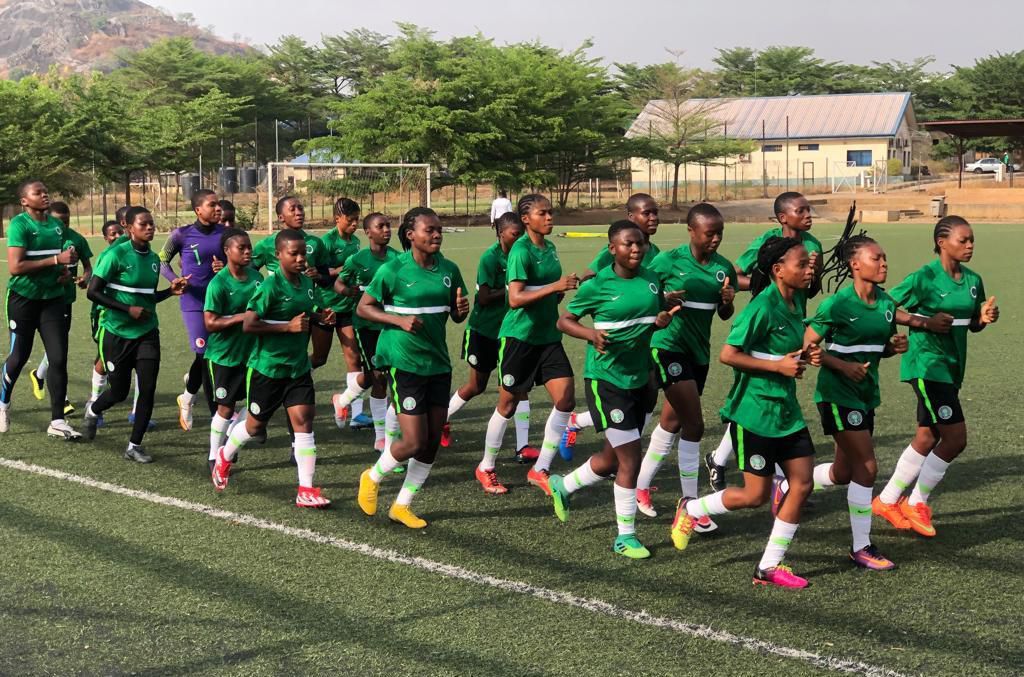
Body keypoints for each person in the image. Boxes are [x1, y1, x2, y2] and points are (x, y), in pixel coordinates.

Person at [670, 236, 822, 589]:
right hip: (753, 412)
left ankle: (769, 566)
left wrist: (805, 355)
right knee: (754, 496)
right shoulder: (761, 308)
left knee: (802, 482)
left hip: (786, 412)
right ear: (778, 270)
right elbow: (729, 354)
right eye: (802, 264)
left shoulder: (796, 298)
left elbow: (790, 346)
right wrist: (778, 368)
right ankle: (691, 510)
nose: (809, 270)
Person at [549, 221, 679, 559]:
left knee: (609, 459)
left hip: (640, 377)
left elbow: (649, 317)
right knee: (630, 459)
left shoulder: (651, 279)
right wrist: (590, 335)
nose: (636, 249)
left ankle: (563, 485)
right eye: (627, 244)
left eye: (639, 244)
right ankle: (625, 536)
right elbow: (564, 321)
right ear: (612, 249)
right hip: (606, 380)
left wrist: (660, 319)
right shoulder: (598, 285)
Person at [873, 216, 998, 537]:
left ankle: (886, 500)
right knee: (955, 439)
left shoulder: (973, 280)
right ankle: (917, 502)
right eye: (963, 240)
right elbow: (885, 305)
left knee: (928, 437)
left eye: (972, 240)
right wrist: (922, 323)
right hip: (927, 366)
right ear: (942, 242)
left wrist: (983, 318)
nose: (969, 246)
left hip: (953, 366)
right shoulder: (924, 277)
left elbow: (971, 323)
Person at [355, 207, 470, 528]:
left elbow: (456, 314)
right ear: (410, 235)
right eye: (429, 230)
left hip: (438, 361)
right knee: (414, 440)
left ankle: (402, 505)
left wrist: (461, 310)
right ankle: (372, 476)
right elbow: (364, 307)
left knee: (432, 441)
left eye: (439, 230)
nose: (436, 235)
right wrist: (398, 320)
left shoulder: (449, 269)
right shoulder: (393, 270)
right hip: (404, 360)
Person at [797, 235, 906, 570]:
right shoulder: (837, 304)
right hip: (836, 395)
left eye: (885, 257)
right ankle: (862, 546)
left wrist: (892, 348)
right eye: (877, 258)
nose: (884, 263)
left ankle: (788, 484)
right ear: (855, 264)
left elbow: (874, 348)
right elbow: (807, 347)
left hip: (865, 394)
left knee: (843, 471)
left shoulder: (886, 304)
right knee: (867, 467)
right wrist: (842, 367)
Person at [704, 191, 824, 488]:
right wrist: (758, 286)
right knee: (755, 397)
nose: (809, 214)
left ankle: (777, 483)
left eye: (809, 209)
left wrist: (815, 272)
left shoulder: (813, 245)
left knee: (770, 400)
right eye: (801, 210)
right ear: (783, 217)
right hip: (769, 321)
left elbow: (811, 289)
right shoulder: (767, 243)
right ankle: (765, 480)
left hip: (792, 318)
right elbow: (737, 272)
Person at [211, 228, 335, 508]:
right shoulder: (270, 287)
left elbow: (306, 310)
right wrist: (287, 328)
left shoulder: (306, 283)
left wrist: (321, 316)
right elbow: (249, 324)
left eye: (303, 253)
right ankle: (225, 454)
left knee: (304, 421)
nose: (301, 258)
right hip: (267, 369)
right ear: (278, 255)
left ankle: (306, 488)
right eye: (294, 254)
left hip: (297, 368)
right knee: (254, 427)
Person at [634, 203, 737, 528]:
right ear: (691, 231)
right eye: (709, 233)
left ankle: (639, 486)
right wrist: (661, 300)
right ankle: (690, 506)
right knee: (695, 426)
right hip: (666, 348)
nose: (715, 239)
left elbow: (723, 315)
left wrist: (727, 303)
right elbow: (642, 292)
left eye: (719, 233)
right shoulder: (668, 261)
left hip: (698, 354)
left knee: (672, 423)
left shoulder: (723, 268)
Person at [480, 194, 578, 497]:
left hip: (547, 337)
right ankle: (486, 467)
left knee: (566, 400)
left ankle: (541, 468)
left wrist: (558, 292)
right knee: (507, 405)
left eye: (550, 213)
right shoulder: (520, 251)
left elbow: (545, 292)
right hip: (519, 338)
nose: (549, 218)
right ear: (526, 219)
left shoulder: (550, 248)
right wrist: (555, 287)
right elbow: (515, 298)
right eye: (542, 213)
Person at [83, 207, 190, 461]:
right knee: (119, 392)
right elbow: (93, 292)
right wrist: (126, 309)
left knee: (147, 388)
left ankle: (134, 445)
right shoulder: (116, 255)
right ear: (129, 228)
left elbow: (146, 299)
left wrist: (169, 292)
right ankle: (94, 409)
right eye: (143, 224)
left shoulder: (153, 259)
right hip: (116, 332)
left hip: (147, 333)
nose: (150, 228)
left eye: (152, 224)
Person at [560, 193, 662, 455]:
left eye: (655, 212)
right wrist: (594, 328)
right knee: (628, 453)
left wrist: (662, 308)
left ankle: (603, 451)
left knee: (645, 401)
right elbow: (591, 278)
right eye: (646, 213)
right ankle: (582, 428)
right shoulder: (612, 259)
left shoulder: (655, 257)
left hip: (642, 350)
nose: (653, 218)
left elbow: (653, 297)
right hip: (609, 364)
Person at [444, 211, 539, 481]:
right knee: (476, 386)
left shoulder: (525, 254)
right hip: (483, 330)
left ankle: (522, 447)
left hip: (510, 333)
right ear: (501, 234)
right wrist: (514, 291)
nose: (519, 237)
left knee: (519, 388)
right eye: (514, 234)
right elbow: (483, 298)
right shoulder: (490, 258)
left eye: (521, 233)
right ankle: (443, 419)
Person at [0, 181, 81, 439]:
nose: (44, 195)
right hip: (23, 299)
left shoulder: (57, 226)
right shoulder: (19, 225)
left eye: (46, 191)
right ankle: (3, 404)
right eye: (38, 192)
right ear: (24, 201)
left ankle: (57, 420)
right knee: (18, 358)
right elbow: (16, 267)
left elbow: (58, 265)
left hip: (53, 300)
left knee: (58, 359)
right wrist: (56, 260)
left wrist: (63, 273)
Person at [329, 212, 400, 453]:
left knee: (383, 376)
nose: (386, 230)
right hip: (366, 324)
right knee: (378, 376)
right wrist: (346, 291)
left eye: (388, 225)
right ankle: (381, 437)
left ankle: (344, 400)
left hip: (390, 324)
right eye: (381, 226)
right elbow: (339, 282)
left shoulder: (398, 259)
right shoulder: (357, 259)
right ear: (368, 232)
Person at [159, 189, 224, 431]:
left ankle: (186, 396)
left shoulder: (225, 234)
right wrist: (174, 279)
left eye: (219, 205)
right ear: (198, 210)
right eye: (212, 205)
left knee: (214, 357)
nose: (218, 208)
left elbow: (238, 262)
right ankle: (216, 414)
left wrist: (224, 268)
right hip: (193, 304)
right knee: (204, 355)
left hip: (220, 303)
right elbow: (162, 260)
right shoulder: (182, 234)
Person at [203, 228, 263, 472]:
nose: (248, 251)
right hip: (224, 356)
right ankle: (213, 456)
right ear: (227, 251)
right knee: (225, 408)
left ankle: (231, 441)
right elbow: (210, 323)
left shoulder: (258, 279)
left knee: (258, 405)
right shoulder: (218, 284)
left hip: (253, 354)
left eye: (249, 247)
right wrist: (242, 317)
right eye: (242, 248)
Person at [29, 201, 93, 417]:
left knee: (58, 346)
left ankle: (40, 374)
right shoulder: (44, 237)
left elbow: (88, 266)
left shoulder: (77, 239)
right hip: (43, 298)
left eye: (66, 220)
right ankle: (61, 397)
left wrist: (85, 278)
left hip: (66, 299)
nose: (63, 224)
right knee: (57, 349)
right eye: (59, 220)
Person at [319, 198, 372, 429]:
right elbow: (320, 274)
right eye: (350, 220)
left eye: (357, 220)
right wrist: (342, 270)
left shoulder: (357, 242)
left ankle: (357, 415)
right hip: (325, 308)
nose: (354, 224)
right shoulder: (326, 242)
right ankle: (287, 384)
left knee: (355, 360)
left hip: (347, 307)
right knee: (319, 358)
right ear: (337, 219)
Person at [84, 220, 126, 427]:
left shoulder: (133, 254)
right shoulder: (107, 257)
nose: (117, 236)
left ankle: (137, 411)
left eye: (120, 232)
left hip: (126, 318)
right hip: (105, 315)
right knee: (103, 357)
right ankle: (93, 401)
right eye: (112, 234)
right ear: (106, 238)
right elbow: (95, 289)